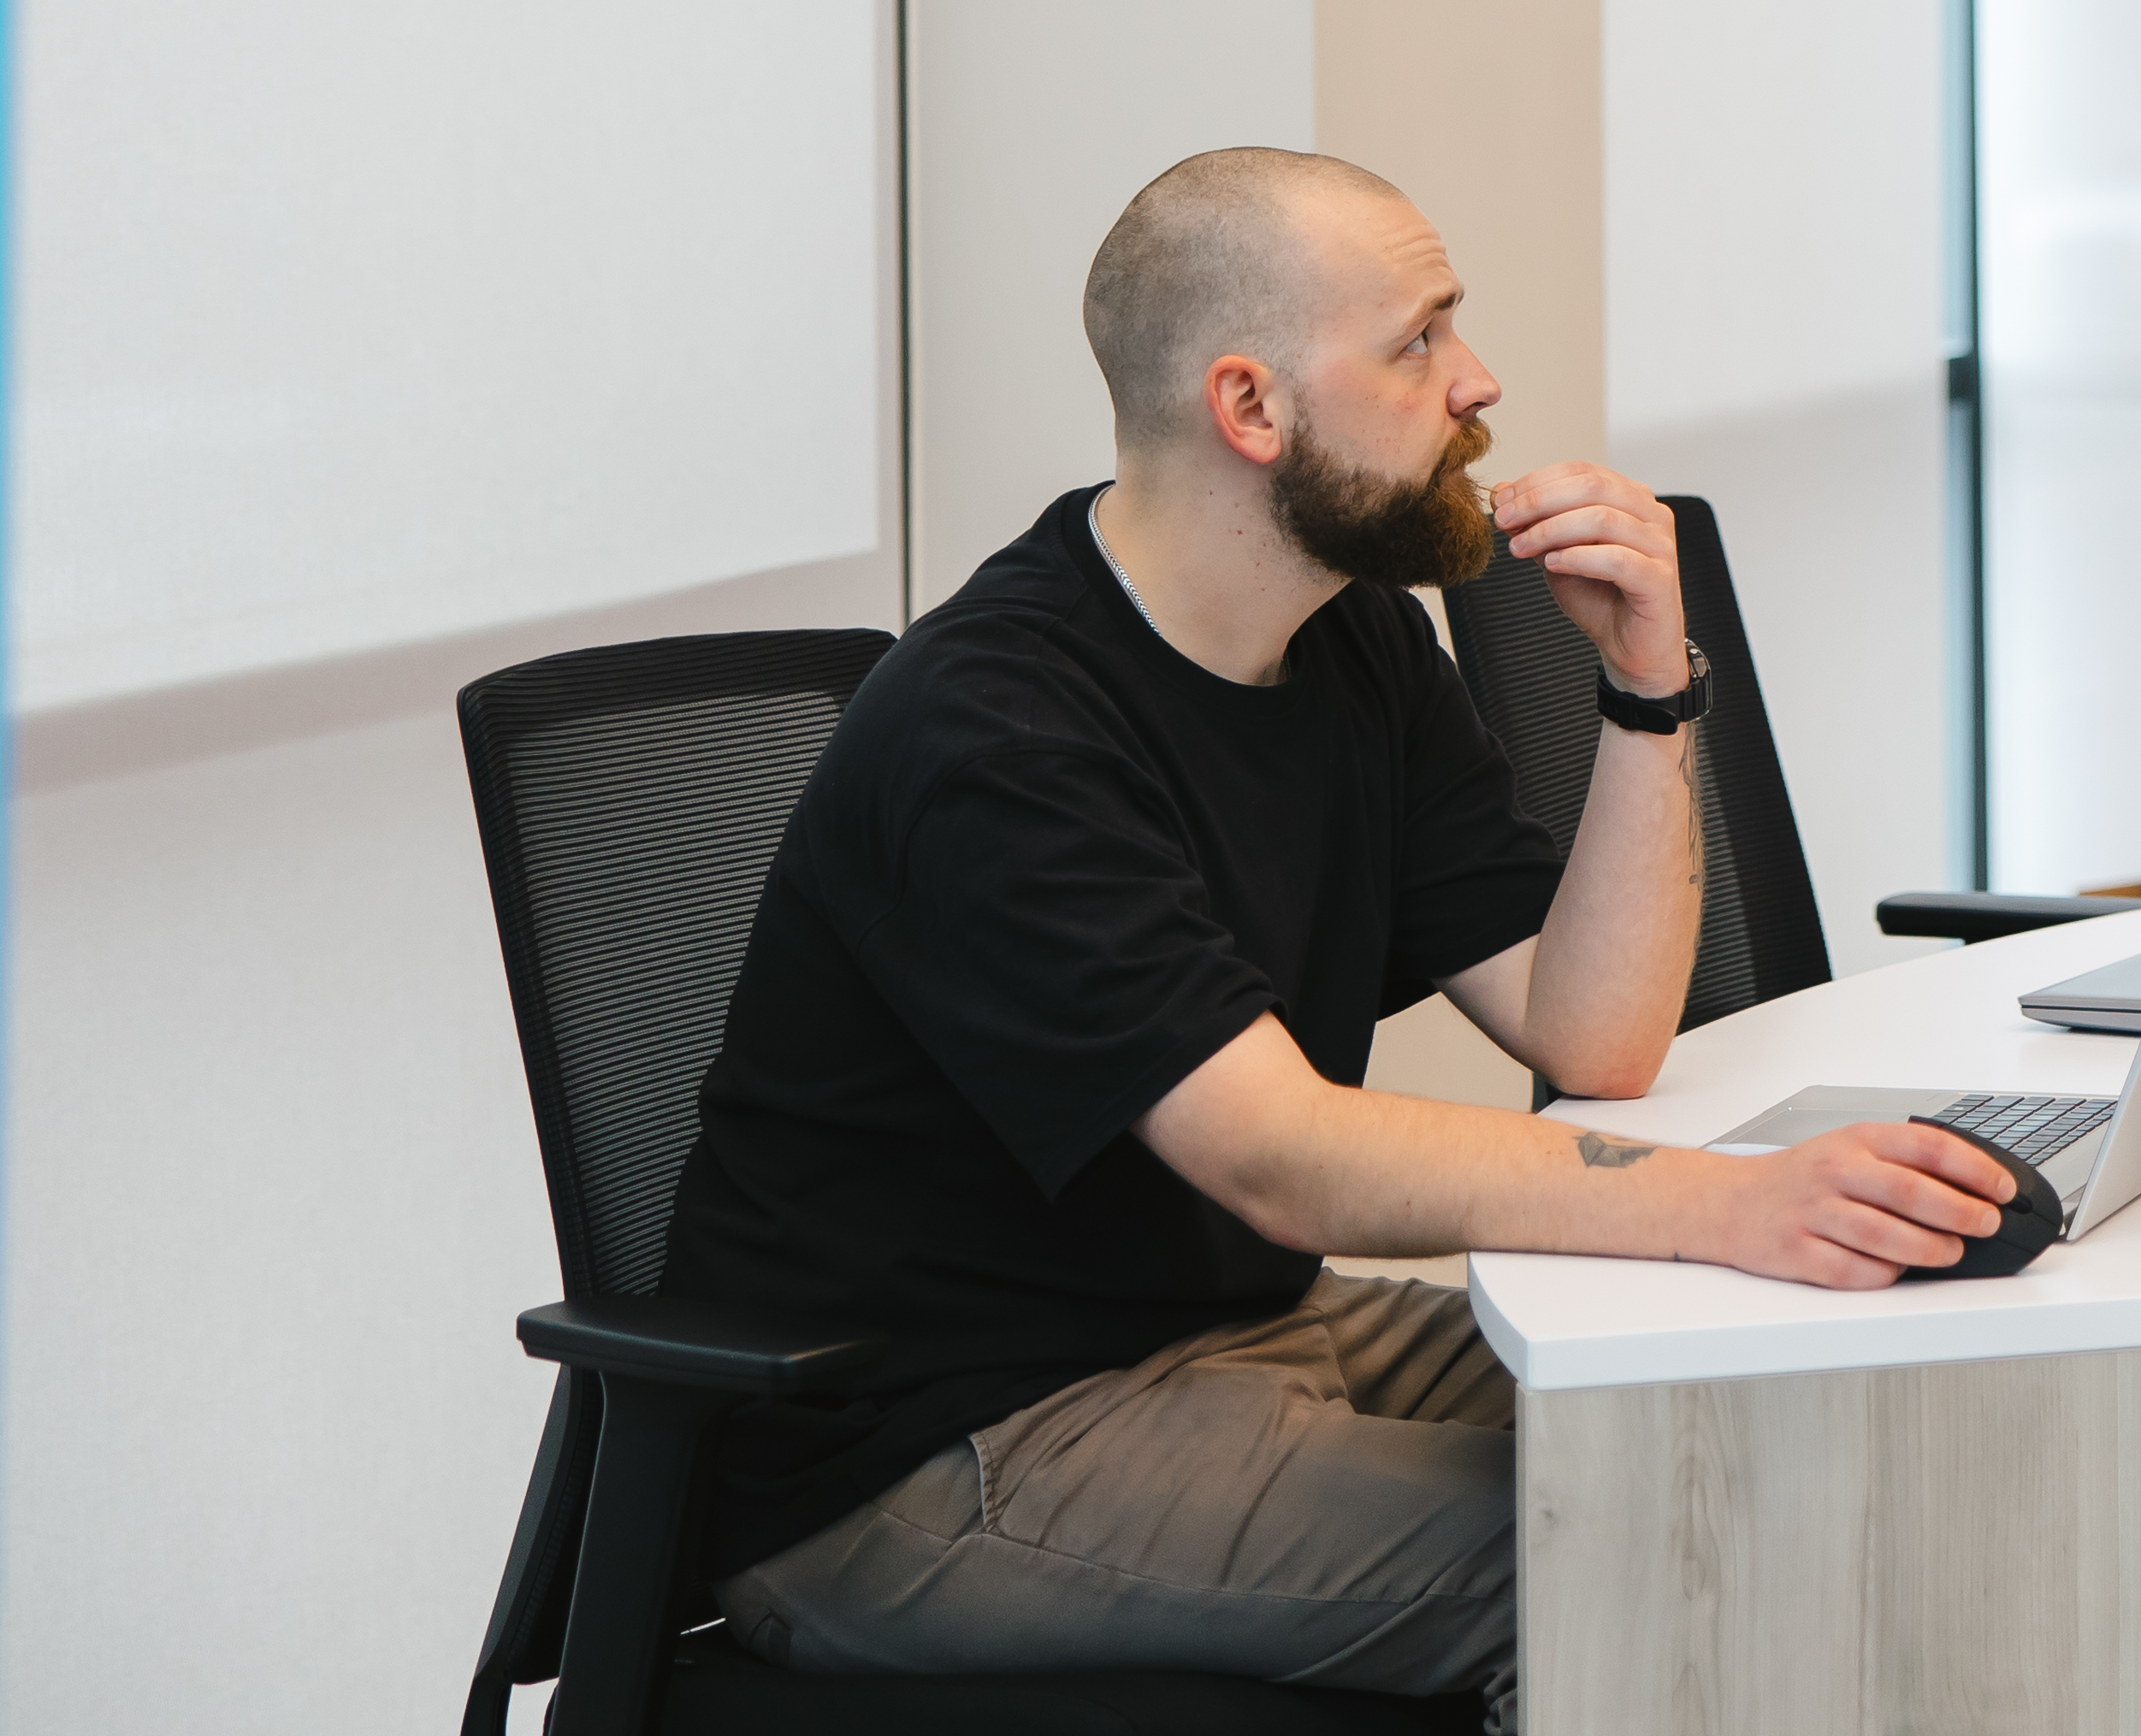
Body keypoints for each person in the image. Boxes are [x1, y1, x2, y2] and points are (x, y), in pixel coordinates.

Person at [662, 147, 2017, 1718]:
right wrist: (1729, 1207)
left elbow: (1597, 1032)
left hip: (1242, 1330)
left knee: (1776, 1439)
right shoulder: (998, 729)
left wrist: (1652, 687)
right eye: (1419, 340)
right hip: (935, 1452)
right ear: (1250, 409)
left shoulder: (1350, 638)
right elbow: (1281, 1157)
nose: (1479, 382)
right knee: (1665, 1551)